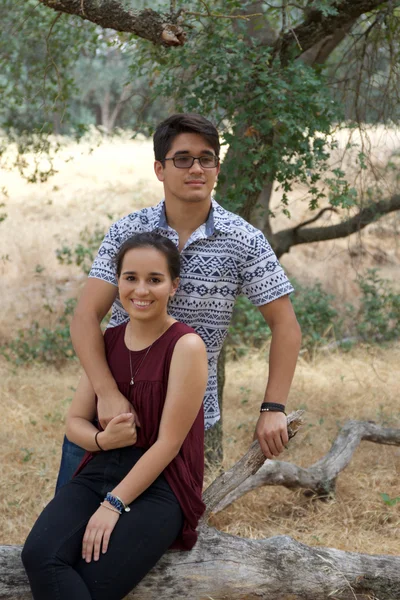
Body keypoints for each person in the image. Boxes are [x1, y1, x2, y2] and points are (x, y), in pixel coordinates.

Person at [56, 112, 301, 490]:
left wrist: (273, 408)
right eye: (183, 159)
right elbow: (86, 315)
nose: (196, 168)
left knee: (153, 538)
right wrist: (106, 394)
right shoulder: (128, 231)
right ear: (159, 168)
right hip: (113, 405)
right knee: (70, 523)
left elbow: (285, 325)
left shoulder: (244, 240)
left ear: (217, 167)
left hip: (184, 416)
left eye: (206, 158)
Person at [22, 232, 208, 600]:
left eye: (155, 279)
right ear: (118, 281)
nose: (141, 290)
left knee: (93, 579)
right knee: (39, 555)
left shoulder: (186, 346)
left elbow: (169, 444)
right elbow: (74, 421)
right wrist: (100, 441)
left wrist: (114, 504)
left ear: (174, 286)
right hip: (99, 470)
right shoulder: (108, 341)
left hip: (161, 485)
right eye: (130, 278)